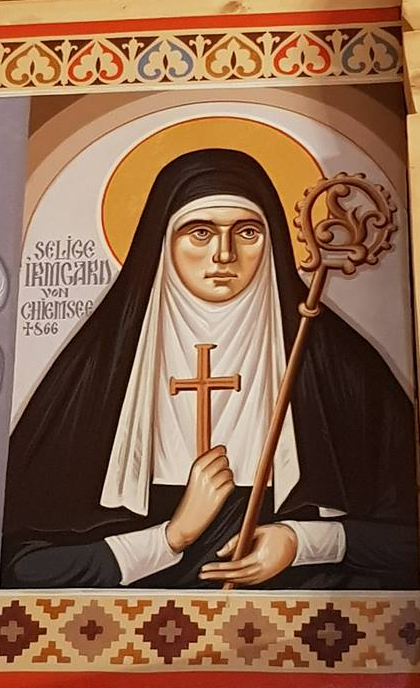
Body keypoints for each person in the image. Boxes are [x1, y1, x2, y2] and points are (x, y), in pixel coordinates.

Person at [1, 149, 418, 590]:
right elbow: (21, 567)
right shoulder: (95, 373)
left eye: (247, 232)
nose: (224, 254)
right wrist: (169, 538)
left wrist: (306, 542)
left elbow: (407, 544)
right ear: (163, 240)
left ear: (272, 240)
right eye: (200, 232)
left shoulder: (336, 366)